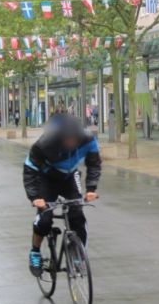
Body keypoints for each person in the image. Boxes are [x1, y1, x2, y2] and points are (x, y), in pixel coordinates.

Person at [23, 115, 102, 276]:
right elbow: (29, 170)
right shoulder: (44, 144)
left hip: (70, 176)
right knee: (45, 218)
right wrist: (34, 197)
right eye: (67, 140)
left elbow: (94, 164)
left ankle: (77, 257)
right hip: (46, 178)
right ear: (60, 137)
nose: (71, 143)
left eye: (74, 139)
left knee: (77, 215)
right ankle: (35, 252)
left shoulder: (88, 139)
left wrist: (91, 189)